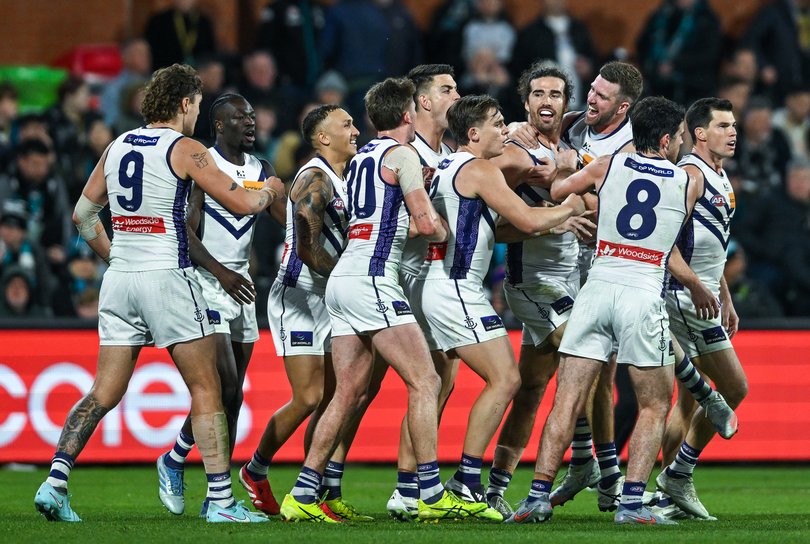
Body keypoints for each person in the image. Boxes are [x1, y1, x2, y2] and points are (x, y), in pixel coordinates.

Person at [33, 63, 283, 524]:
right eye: (197, 105)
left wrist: (116, 258)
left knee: (103, 392)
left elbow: (83, 216)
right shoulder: (185, 148)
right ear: (185, 103)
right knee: (208, 387)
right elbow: (245, 203)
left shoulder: (117, 145)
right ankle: (221, 502)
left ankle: (55, 481)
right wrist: (269, 189)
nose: (197, 114)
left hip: (120, 279)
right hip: (167, 274)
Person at [279, 77, 481, 523]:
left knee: (348, 392)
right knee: (426, 381)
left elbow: (372, 218)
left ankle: (302, 493)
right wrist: (450, 226)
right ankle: (430, 492)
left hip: (343, 278)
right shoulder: (403, 155)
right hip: (374, 277)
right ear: (408, 114)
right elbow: (427, 225)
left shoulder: (361, 159)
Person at [508, 96, 696, 525]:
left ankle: (536, 498)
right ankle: (630, 504)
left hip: (596, 286)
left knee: (566, 399)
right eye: (680, 137)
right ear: (665, 141)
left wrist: (566, 171)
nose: (681, 144)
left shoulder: (606, 165)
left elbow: (558, 191)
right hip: (641, 291)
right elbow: (670, 234)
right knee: (654, 404)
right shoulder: (687, 181)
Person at [418, 93, 588, 521]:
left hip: (444, 285)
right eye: (497, 124)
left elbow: (504, 230)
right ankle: (466, 482)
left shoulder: (449, 166)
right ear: (474, 134)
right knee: (505, 380)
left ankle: (427, 485)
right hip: (457, 287)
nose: (505, 129)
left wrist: (553, 223)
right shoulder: (479, 169)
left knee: (443, 385)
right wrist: (568, 205)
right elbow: (527, 218)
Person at [239, 103, 369, 521]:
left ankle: (316, 492)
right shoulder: (315, 177)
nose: (355, 129)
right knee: (309, 396)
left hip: (331, 297)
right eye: (346, 124)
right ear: (323, 137)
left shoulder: (347, 176)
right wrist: (347, 275)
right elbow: (305, 242)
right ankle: (255, 469)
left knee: (335, 399)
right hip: (299, 297)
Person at [155, 93, 283, 516]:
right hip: (209, 283)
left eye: (252, 115)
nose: (250, 122)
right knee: (224, 385)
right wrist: (221, 272)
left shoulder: (262, 169)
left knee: (233, 398)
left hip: (240, 286)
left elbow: (286, 220)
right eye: (239, 117)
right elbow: (185, 231)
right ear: (219, 125)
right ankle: (209, 488)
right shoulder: (203, 165)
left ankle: (184, 466)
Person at [483, 64, 594, 518]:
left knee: (531, 389)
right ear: (525, 102)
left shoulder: (569, 152)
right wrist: (551, 224)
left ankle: (493, 488)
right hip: (531, 283)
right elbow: (491, 227)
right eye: (538, 93)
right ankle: (590, 460)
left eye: (555, 94)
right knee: (584, 355)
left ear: (566, 104)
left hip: (569, 282)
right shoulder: (513, 152)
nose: (546, 101)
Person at [653, 97, 748, 520]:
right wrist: (695, 286)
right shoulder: (690, 175)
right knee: (734, 388)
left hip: (703, 296)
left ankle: (666, 496)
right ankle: (678, 475)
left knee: (687, 403)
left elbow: (712, 248)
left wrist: (724, 294)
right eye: (723, 125)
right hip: (683, 297)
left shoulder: (720, 177)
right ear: (700, 133)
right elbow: (664, 241)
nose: (733, 132)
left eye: (734, 125)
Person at [381, 63, 460, 521]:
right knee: (363, 389)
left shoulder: (447, 152)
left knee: (438, 379)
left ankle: (408, 486)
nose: (456, 96)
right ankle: (322, 483)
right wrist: (434, 226)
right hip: (399, 277)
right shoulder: (404, 153)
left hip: (431, 278)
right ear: (423, 102)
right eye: (447, 90)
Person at [143, 0, 217, 70]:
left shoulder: (204, 22)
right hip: (165, 72)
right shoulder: (159, 21)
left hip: (197, 73)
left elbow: (210, 54)